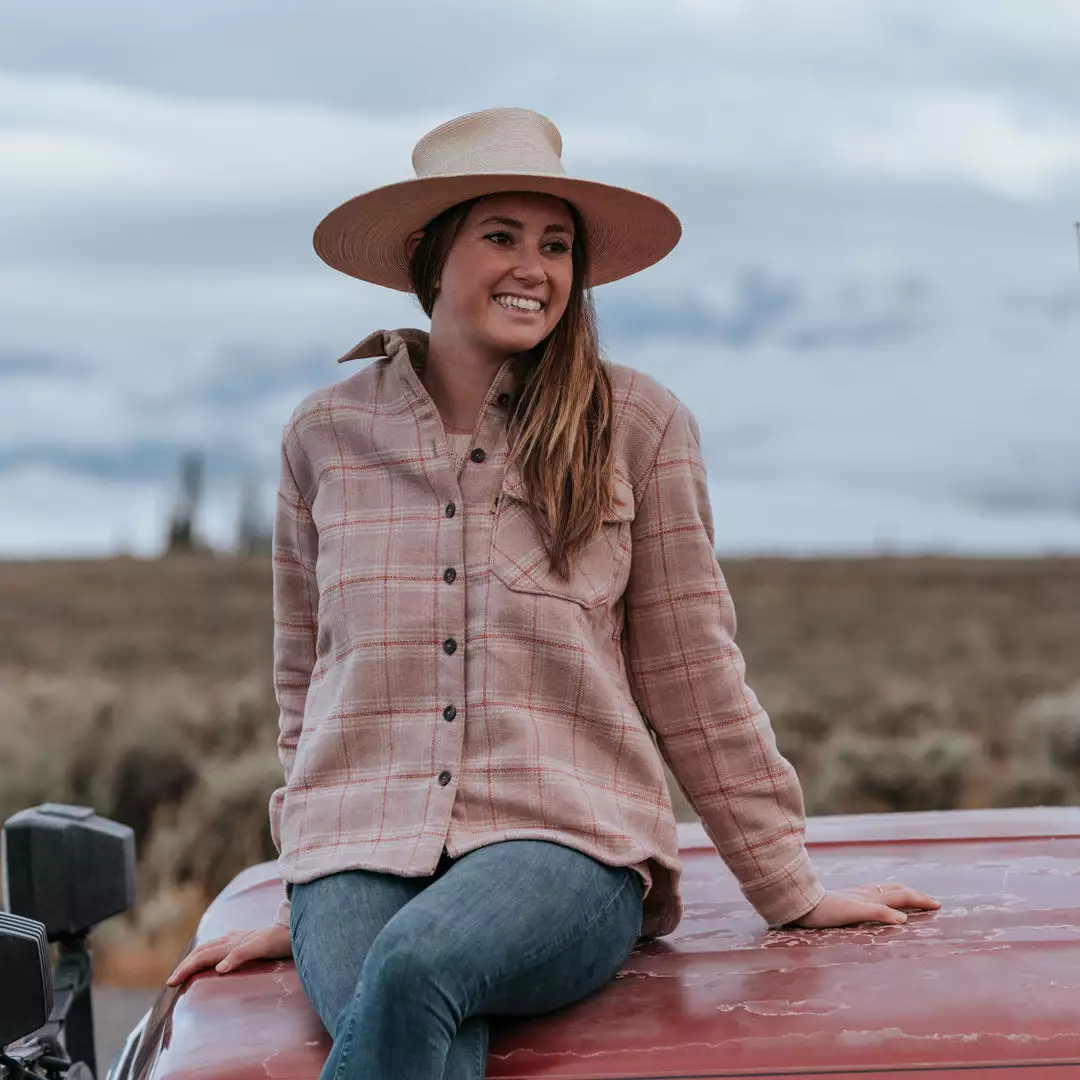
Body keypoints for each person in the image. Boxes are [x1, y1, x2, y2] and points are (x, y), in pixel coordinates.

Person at [166, 107, 939, 1078]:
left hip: (566, 844)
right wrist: (304, 889)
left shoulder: (639, 425)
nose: (533, 268)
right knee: (410, 1007)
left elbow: (693, 670)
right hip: (354, 846)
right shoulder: (323, 436)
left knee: (414, 968)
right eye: (501, 237)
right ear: (429, 252)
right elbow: (305, 679)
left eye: (556, 245)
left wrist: (786, 883)